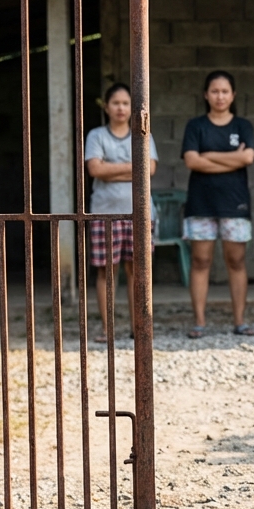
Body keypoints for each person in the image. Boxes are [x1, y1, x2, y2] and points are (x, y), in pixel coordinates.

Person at [180, 70, 254, 337]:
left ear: (233, 95)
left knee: (236, 261)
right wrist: (231, 159)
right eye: (215, 91)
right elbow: (191, 161)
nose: (220, 96)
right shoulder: (196, 126)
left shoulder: (243, 126)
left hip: (235, 203)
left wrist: (208, 157)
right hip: (201, 203)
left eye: (225, 91)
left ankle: (240, 321)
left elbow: (247, 158)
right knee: (200, 261)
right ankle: (199, 322)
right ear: (206, 94)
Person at [84, 83, 158, 343]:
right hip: (105, 213)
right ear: (106, 106)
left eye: (126, 103)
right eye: (116, 103)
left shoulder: (143, 134)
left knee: (137, 272)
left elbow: (149, 169)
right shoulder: (96, 135)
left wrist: (111, 169)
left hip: (140, 213)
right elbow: (95, 170)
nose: (121, 108)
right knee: (106, 272)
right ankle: (108, 329)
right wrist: (133, 168)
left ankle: (139, 328)